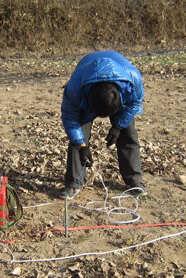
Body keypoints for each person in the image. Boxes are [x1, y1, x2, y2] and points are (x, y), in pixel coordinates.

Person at [59, 50, 145, 199]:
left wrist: (118, 126)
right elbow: (70, 119)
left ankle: (134, 181)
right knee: (77, 138)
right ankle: (73, 183)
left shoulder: (132, 79)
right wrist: (81, 146)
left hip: (120, 85)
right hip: (86, 79)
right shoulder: (75, 88)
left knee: (128, 134)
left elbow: (134, 103)